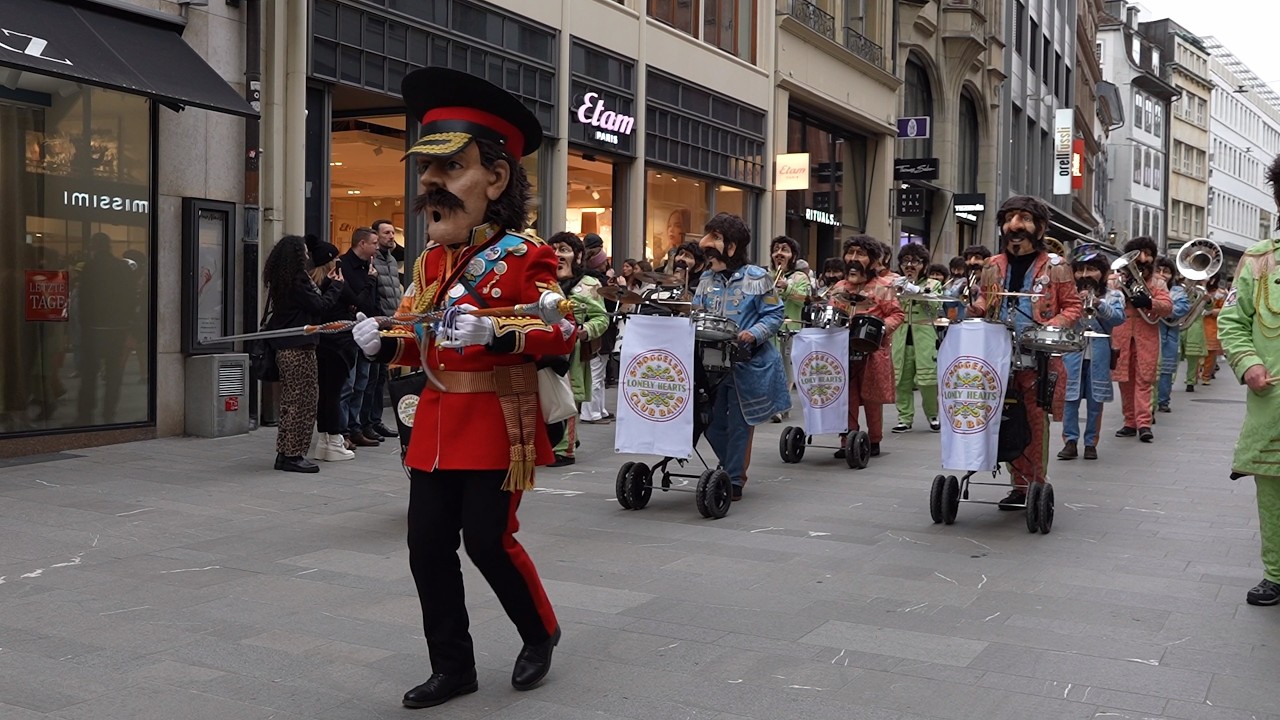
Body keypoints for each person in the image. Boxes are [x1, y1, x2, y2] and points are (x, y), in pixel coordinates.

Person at [351, 67, 574, 707]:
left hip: (497, 425)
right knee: (426, 548)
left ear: (496, 179)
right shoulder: (428, 260)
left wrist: (498, 332)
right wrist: (383, 340)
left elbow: (566, 333)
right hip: (436, 424)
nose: (428, 184)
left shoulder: (527, 255)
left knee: (487, 542)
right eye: (427, 171)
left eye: (449, 169)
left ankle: (540, 631)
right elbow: (415, 333)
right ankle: (454, 667)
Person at [967, 196, 1082, 508]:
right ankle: (1017, 485)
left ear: (1040, 227)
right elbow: (987, 304)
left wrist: (1049, 325)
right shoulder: (992, 265)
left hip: (1038, 357)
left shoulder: (1057, 267)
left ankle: (1035, 485)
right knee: (1002, 418)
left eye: (1023, 218)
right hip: (996, 356)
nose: (1014, 226)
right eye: (1009, 218)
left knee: (1033, 421)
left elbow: (1073, 307)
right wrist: (972, 308)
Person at [1218, 152, 1280, 605]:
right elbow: (1231, 321)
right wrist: (1247, 363)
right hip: (1272, 403)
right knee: (1273, 490)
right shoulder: (1259, 261)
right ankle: (1276, 573)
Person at [691, 212, 789, 501]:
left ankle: (733, 478)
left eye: (716, 237)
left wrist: (753, 333)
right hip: (710, 363)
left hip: (747, 363)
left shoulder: (758, 277)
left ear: (732, 246)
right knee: (709, 420)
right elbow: (696, 311)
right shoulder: (706, 279)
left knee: (739, 424)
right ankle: (729, 467)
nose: (706, 243)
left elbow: (774, 314)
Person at [263, 235, 346, 473]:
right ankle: (293, 454)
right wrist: (337, 287)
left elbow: (313, 301)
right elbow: (319, 306)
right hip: (298, 346)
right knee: (303, 401)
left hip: (289, 345)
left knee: (293, 401)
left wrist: (328, 285)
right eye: (305, 251)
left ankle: (287, 452)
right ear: (297, 254)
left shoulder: (286, 279)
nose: (309, 255)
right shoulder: (298, 279)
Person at [834, 236, 904, 457]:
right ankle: (848, 439)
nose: (853, 258)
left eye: (860, 254)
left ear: (873, 260)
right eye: (850, 253)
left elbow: (897, 314)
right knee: (847, 397)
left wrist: (880, 328)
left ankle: (874, 439)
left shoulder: (883, 287)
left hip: (872, 351)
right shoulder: (839, 287)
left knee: (872, 398)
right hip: (843, 351)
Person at [1056, 251, 1125, 461]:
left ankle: (1090, 443)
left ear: (1103, 274)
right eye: (1080, 270)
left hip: (1099, 353)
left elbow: (1119, 319)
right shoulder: (1067, 296)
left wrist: (1097, 304)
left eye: (1092, 269)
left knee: (1096, 402)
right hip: (1072, 353)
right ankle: (1069, 441)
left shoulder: (1114, 295)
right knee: (1070, 399)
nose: (1085, 274)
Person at [549, 232, 609, 465]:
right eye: (554, 249)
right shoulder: (543, 281)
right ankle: (561, 440)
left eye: (564, 249)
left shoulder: (589, 285)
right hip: (545, 349)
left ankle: (565, 449)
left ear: (578, 255)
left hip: (572, 353)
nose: (558, 255)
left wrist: (586, 331)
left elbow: (601, 318)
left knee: (570, 398)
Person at [1110, 236, 1172, 442]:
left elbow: (1168, 307)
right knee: (1124, 381)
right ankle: (1129, 422)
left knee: (1145, 379)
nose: (1144, 258)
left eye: (1148, 254)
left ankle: (1144, 423)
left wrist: (1150, 302)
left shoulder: (1158, 282)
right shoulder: (1116, 280)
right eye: (1139, 254)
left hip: (1146, 336)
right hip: (1122, 335)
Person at [75, 232, 136, 426]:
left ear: (94, 246)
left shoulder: (91, 268)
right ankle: (109, 412)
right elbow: (130, 298)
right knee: (113, 374)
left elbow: (84, 300)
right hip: (117, 328)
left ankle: (86, 414)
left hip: (94, 328)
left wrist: (83, 326)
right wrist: (127, 324)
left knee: (89, 374)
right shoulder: (122, 268)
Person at [306, 239, 357, 462]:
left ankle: (325, 439)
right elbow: (361, 301)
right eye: (335, 258)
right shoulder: (336, 284)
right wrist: (372, 281)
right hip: (339, 345)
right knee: (334, 394)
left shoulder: (314, 285)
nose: (339, 261)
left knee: (325, 394)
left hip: (321, 345)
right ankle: (334, 440)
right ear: (329, 262)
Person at [890, 243, 941, 433]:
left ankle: (933, 415)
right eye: (905, 261)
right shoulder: (896, 283)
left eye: (915, 262)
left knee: (927, 380)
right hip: (901, 336)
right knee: (901, 379)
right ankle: (904, 418)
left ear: (924, 265)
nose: (910, 266)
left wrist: (918, 292)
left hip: (924, 336)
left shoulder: (932, 284)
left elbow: (936, 307)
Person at [337, 227, 381, 447]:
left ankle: (357, 426)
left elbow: (372, 300)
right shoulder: (345, 266)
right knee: (349, 383)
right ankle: (344, 430)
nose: (377, 246)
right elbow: (357, 301)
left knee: (363, 381)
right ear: (362, 243)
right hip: (350, 331)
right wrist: (371, 282)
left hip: (370, 327)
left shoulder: (370, 266)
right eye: (374, 242)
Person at [364, 219, 404, 441]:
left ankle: (375, 421)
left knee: (380, 378)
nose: (391, 236)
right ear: (376, 237)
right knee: (370, 379)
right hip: (377, 324)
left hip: (392, 323)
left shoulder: (390, 261)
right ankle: (365, 422)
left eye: (392, 232)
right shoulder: (373, 262)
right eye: (386, 233)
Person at [770, 235, 811, 421]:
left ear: (793, 255)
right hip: (769, 328)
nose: (779, 253)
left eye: (784, 250)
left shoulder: (800, 277)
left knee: (787, 368)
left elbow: (804, 298)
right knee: (771, 366)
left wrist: (786, 288)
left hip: (790, 328)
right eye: (776, 249)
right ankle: (775, 403)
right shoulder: (766, 275)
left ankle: (781, 403)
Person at [578, 233, 615, 425]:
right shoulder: (595, 281)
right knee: (595, 371)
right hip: (598, 330)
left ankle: (599, 409)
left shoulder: (593, 278)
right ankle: (590, 411)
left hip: (600, 329)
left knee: (598, 371)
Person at [1154, 256, 1191, 414]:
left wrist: (1162, 308)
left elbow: (1183, 307)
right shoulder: (1148, 287)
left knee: (1166, 370)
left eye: (1166, 272)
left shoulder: (1177, 291)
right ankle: (1149, 403)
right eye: (1158, 270)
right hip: (1152, 333)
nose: (1162, 274)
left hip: (1169, 335)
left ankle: (1163, 401)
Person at [1181, 274, 1214, 392]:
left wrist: (1208, 300)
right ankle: (1169, 381)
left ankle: (1190, 382)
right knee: (1173, 357)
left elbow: (1209, 308)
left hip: (1195, 326)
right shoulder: (1180, 288)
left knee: (1193, 357)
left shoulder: (1201, 290)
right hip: (1179, 324)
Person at [1200, 277, 1226, 385]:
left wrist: (1210, 311)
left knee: (1210, 354)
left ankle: (1206, 376)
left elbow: (1224, 310)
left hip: (1212, 327)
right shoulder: (1198, 289)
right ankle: (1192, 376)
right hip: (1198, 326)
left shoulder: (1220, 294)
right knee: (1196, 353)